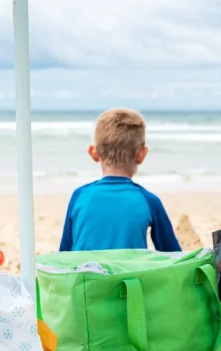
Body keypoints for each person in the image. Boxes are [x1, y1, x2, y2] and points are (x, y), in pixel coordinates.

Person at [60, 108, 180, 252]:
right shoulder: (149, 201)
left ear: (93, 153)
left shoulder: (79, 196)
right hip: (130, 274)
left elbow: (64, 254)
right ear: (141, 154)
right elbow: (173, 255)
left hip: (85, 274)